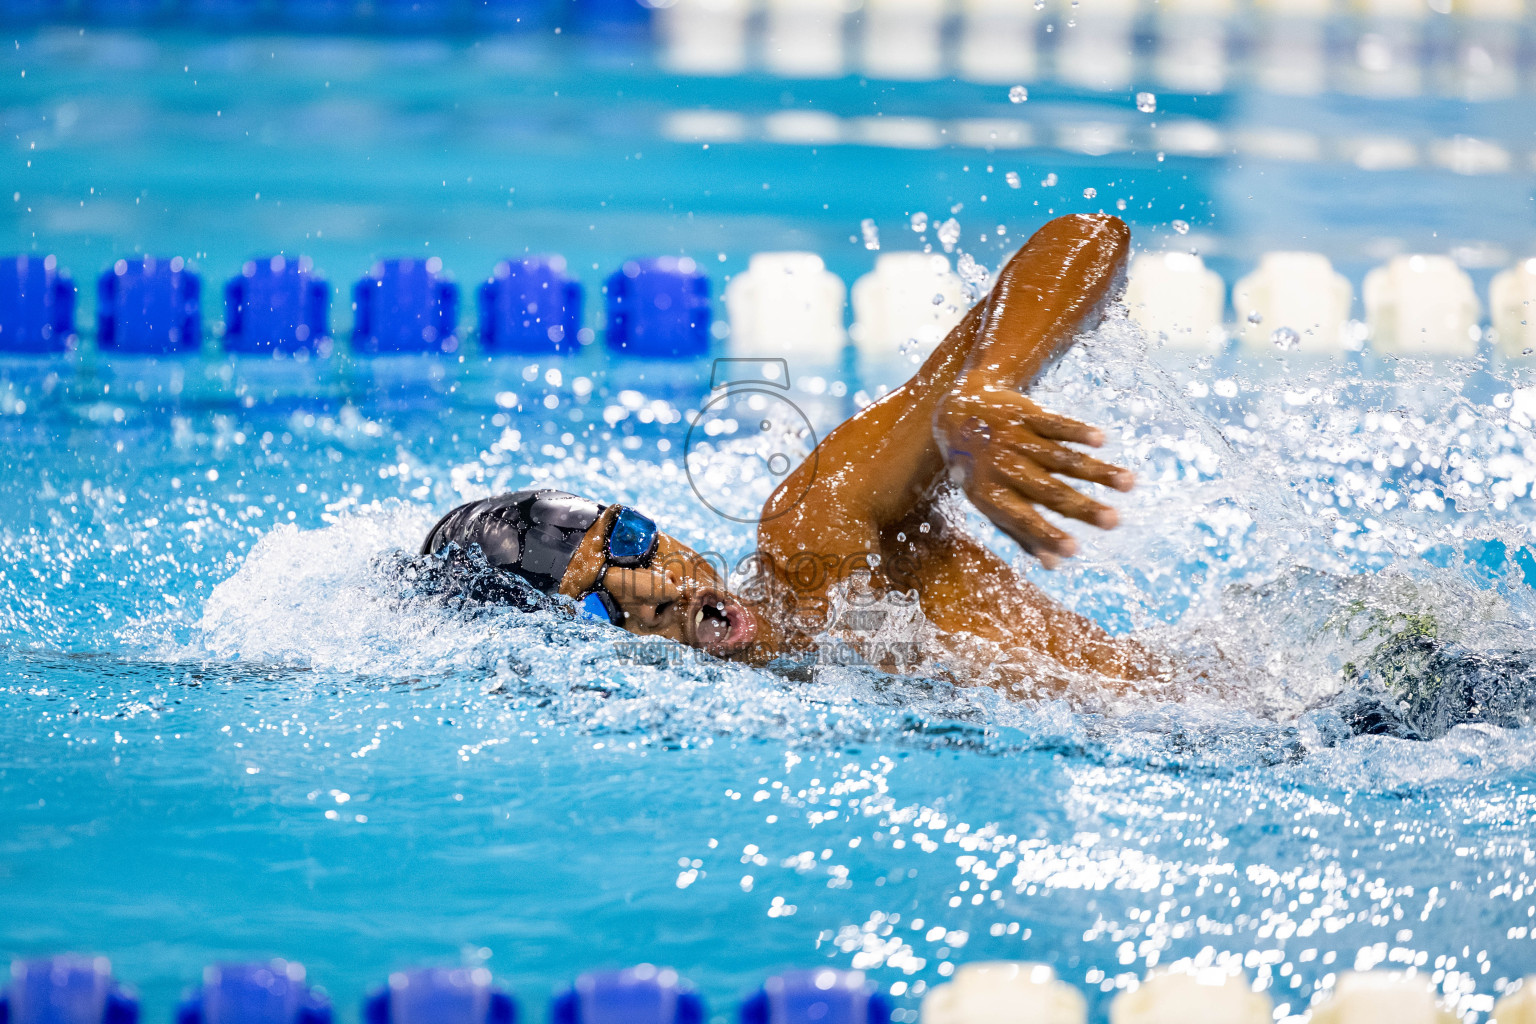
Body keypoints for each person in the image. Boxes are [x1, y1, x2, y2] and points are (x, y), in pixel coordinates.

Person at [422, 214, 1165, 696]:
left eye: (629, 539)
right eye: (596, 604)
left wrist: (986, 386)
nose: (647, 588)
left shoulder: (817, 534)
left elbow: (1089, 236)